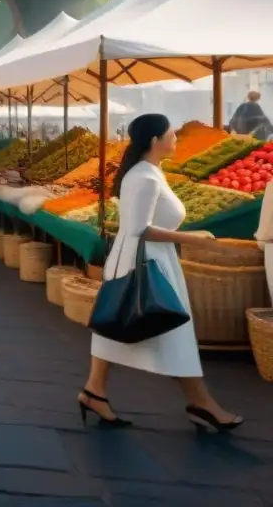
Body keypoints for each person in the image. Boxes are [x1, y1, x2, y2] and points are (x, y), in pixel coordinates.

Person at [80, 113, 243, 432]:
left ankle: (94, 390)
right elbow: (141, 229)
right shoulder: (145, 177)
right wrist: (191, 237)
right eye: (172, 134)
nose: (177, 139)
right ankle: (201, 403)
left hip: (137, 259)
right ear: (155, 141)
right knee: (174, 331)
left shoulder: (149, 172)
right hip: (146, 261)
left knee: (116, 323)